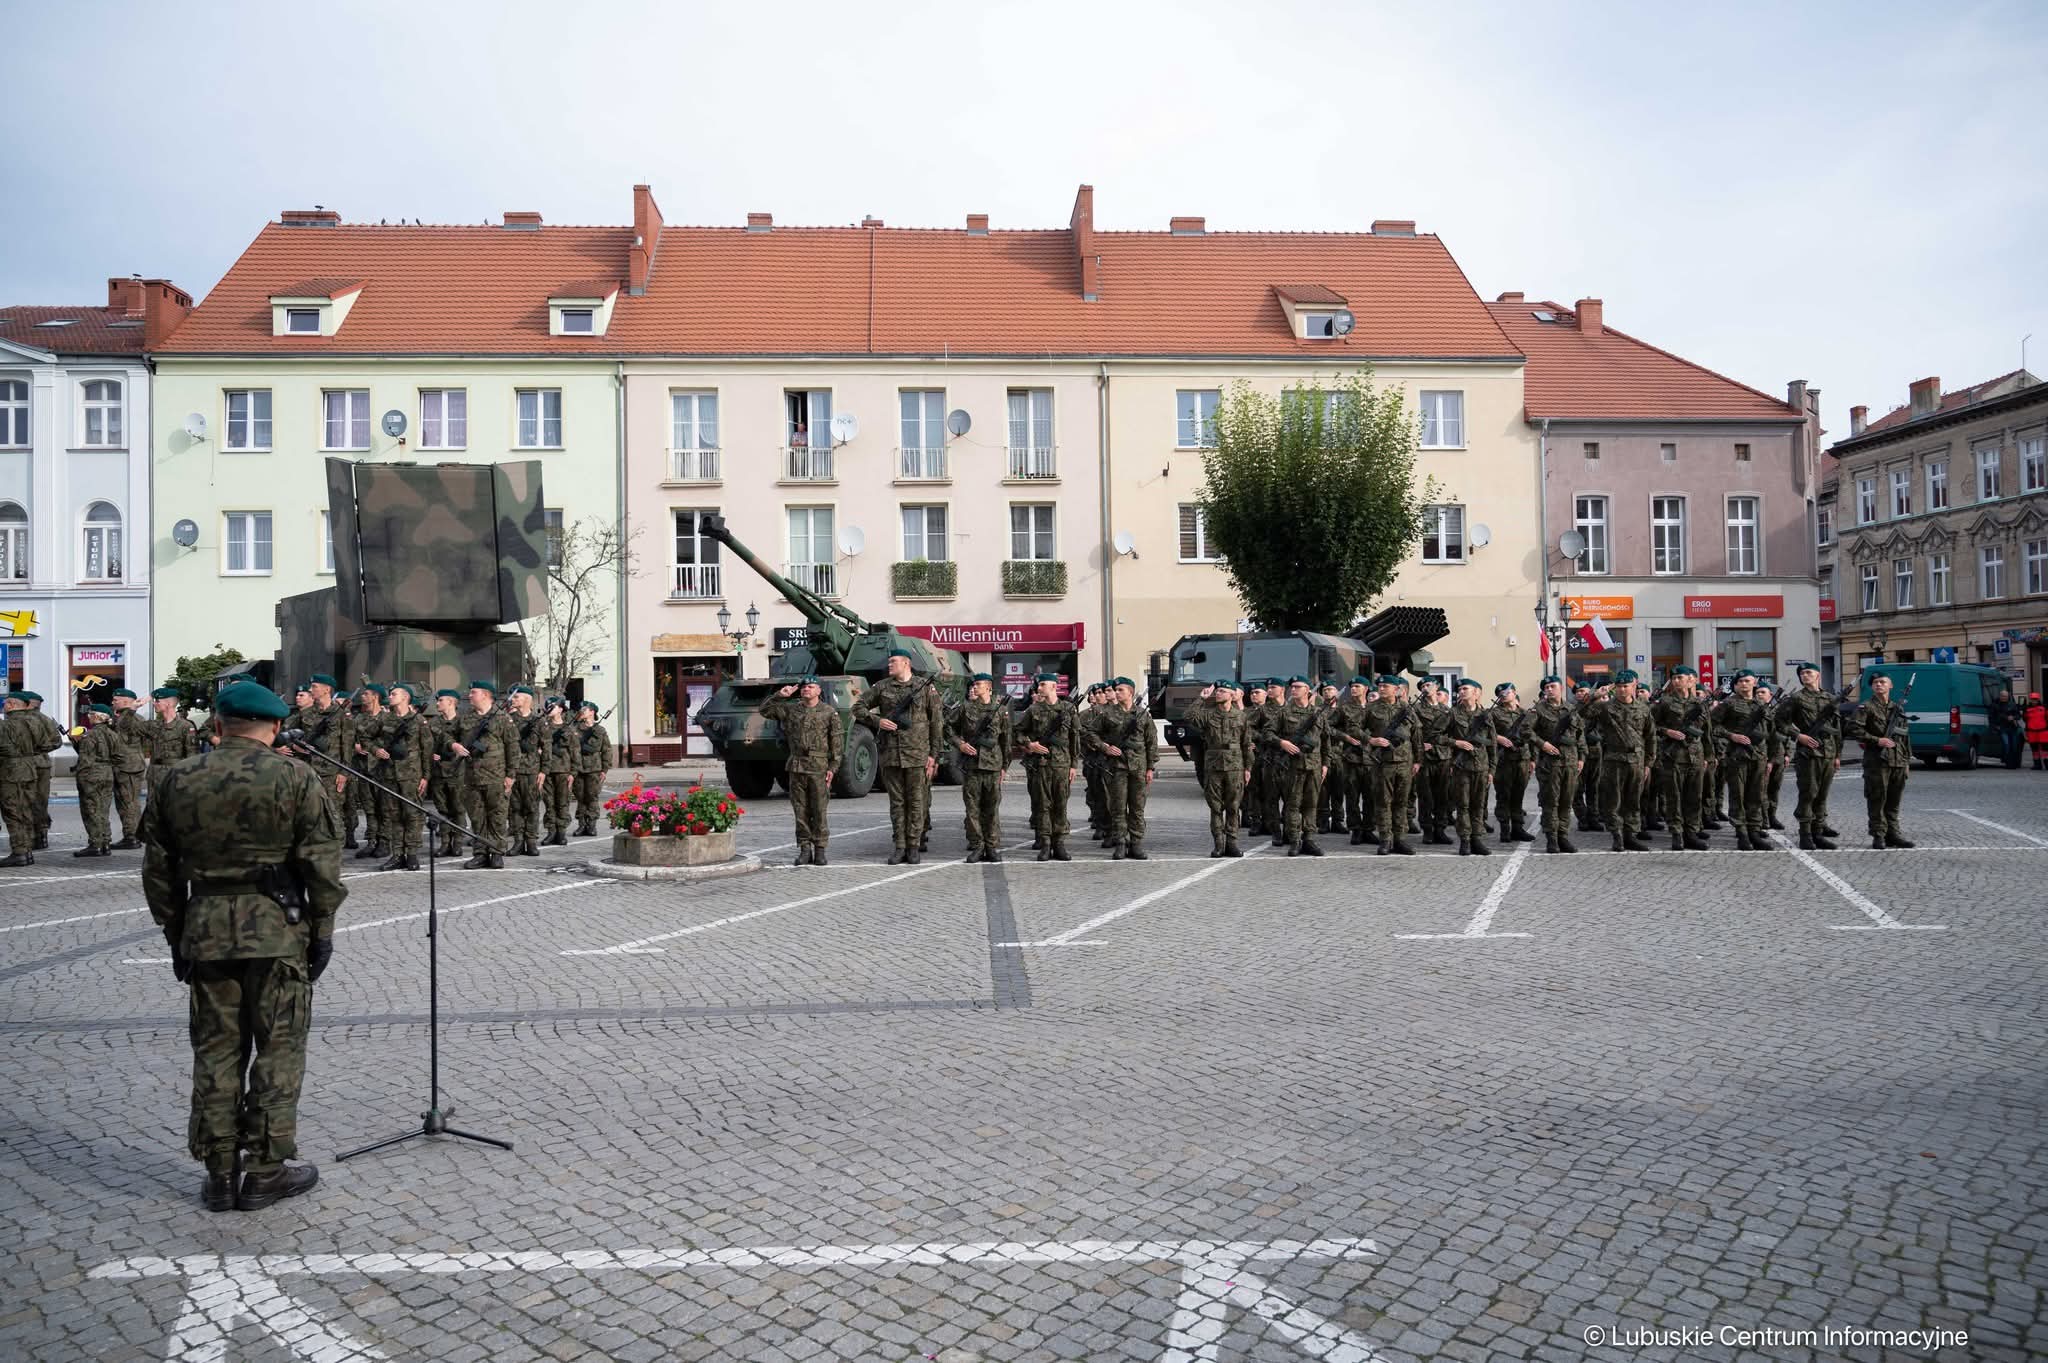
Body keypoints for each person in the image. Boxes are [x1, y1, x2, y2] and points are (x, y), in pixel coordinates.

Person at [141, 678, 346, 1212]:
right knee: (278, 1049)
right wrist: (322, 930)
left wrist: (174, 932)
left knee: (216, 1049)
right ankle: (265, 1171)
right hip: (278, 929)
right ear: (276, 728)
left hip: (206, 929)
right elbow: (322, 865)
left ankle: (218, 1173)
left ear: (216, 726)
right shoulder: (296, 776)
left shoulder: (175, 778)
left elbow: (158, 870)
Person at [854, 649, 943, 865]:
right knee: (897, 803)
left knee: (916, 802)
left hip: (917, 755)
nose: (889, 665)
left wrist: (934, 755)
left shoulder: (925, 688)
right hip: (891, 754)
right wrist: (878, 721)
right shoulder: (882, 687)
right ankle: (899, 846)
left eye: (893, 661)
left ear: (906, 663)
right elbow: (858, 707)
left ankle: (914, 846)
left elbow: (937, 723)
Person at [764, 676, 842, 866]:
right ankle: (805, 849)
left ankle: (820, 850)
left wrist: (833, 767)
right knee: (800, 811)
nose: (806, 689)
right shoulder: (792, 709)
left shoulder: (829, 712)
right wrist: (779, 696)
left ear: (818, 691)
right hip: (797, 765)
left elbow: (837, 744)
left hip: (819, 767)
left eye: (810, 686)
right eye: (804, 687)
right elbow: (765, 710)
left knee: (819, 810)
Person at [1088, 676, 1159, 859]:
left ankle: (1136, 843)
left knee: (1137, 807)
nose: (1117, 693)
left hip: (1138, 767)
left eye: (1120, 690)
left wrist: (1150, 768)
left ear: (1130, 692)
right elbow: (1091, 733)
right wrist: (1105, 747)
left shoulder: (1143, 715)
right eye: (1116, 690)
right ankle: (1120, 842)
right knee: (1118, 806)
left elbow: (1151, 742)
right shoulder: (1107, 713)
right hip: (1117, 766)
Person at [448, 680, 517, 869]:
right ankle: (480, 853)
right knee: (477, 818)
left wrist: (510, 775)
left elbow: (513, 748)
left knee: (497, 816)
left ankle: (496, 853)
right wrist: (454, 745)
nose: (469, 695)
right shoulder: (465, 718)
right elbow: (447, 735)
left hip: (496, 776)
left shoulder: (502, 718)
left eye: (473, 692)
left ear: (485, 695)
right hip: (472, 777)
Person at [947, 672, 1013, 863]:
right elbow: (947, 727)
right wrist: (960, 744)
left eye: (978, 684)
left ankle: (992, 847)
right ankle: (977, 846)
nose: (974, 688)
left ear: (989, 687)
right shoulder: (965, 708)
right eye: (973, 685)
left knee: (992, 808)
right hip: (972, 766)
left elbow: (1006, 739)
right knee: (972, 809)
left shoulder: (1000, 709)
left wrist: (1004, 766)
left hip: (993, 766)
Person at [1584, 671, 1653, 852]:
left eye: (1626, 686)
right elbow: (1582, 712)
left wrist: (1648, 763)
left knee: (1633, 800)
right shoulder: (1605, 708)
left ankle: (1630, 836)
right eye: (1619, 686)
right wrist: (1595, 695)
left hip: (1636, 761)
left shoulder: (1643, 708)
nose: (1622, 690)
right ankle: (1617, 836)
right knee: (1612, 800)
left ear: (1634, 686)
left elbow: (1650, 737)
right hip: (1613, 759)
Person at [1774, 662, 1840, 850]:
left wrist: (1837, 755)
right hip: (1808, 753)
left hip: (1828, 752)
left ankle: (1818, 832)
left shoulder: (1830, 698)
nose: (1805, 676)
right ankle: (1805, 834)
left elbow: (1837, 729)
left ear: (1818, 674)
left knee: (1822, 795)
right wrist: (1798, 735)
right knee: (1808, 793)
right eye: (1802, 673)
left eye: (1808, 672)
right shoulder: (1796, 698)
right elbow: (1779, 721)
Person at [1184, 678, 1252, 857]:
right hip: (1213, 766)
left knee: (1233, 806)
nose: (1218, 693)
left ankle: (1232, 843)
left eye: (1222, 691)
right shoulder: (1208, 714)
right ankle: (1219, 844)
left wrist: (1248, 768)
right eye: (1217, 691)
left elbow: (1246, 744)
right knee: (1215, 808)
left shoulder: (1241, 716)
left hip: (1235, 766)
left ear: (1231, 695)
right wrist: (1201, 698)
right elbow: (1189, 716)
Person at [1650, 666, 1711, 851]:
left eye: (1680, 677)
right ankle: (1677, 833)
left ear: (1692, 680)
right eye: (1674, 678)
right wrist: (1667, 731)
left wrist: (1709, 756)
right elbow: (1651, 726)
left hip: (1696, 756)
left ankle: (1691, 833)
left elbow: (1707, 732)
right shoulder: (1665, 703)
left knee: (1694, 797)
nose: (1676, 681)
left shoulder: (1700, 704)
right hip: (1673, 756)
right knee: (1674, 797)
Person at [1264, 677, 1326, 857]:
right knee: (1293, 805)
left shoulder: (1318, 713)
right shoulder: (1284, 712)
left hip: (1314, 765)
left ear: (1308, 690)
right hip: (1292, 766)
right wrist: (1281, 742)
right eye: (1292, 687)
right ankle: (1294, 840)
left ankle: (1309, 839)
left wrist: (1326, 764)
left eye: (1298, 687)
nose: (1294, 689)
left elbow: (1326, 739)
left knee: (1312, 804)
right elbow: (1268, 732)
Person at [372, 682, 428, 871]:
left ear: (405, 697)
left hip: (411, 775)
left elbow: (426, 750)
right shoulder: (384, 719)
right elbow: (364, 737)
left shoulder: (419, 721)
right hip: (389, 775)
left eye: (394, 693)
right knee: (393, 816)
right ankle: (397, 855)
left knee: (412, 815)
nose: (390, 696)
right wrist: (376, 749)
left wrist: (426, 777)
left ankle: (411, 854)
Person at [1716, 670, 1774, 851]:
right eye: (1740, 681)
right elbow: (1713, 725)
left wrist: (1771, 757)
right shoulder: (1729, 704)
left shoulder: (1761, 704)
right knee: (1738, 796)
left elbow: (1771, 732)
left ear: (1755, 682)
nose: (1744, 684)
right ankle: (1742, 833)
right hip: (1737, 757)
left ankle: (1754, 832)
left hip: (1758, 756)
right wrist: (1732, 735)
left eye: (1747, 681)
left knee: (1756, 795)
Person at [1858, 672, 1915, 849]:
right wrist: (1877, 740)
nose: (1879, 685)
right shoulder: (1865, 707)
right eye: (1875, 683)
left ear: (1890, 686)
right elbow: (1853, 729)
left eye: (1882, 682)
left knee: (1894, 800)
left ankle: (1893, 834)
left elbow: (1905, 737)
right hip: (1877, 761)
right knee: (1877, 799)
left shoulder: (1898, 708)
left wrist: (1906, 761)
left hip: (1898, 761)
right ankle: (1878, 835)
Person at [1364, 674, 1417, 855]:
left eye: (1386, 686)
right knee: (1383, 802)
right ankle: (1385, 839)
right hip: (1382, 763)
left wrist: (1418, 760)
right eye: (1379, 686)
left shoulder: (1407, 708)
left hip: (1404, 762)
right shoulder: (1371, 708)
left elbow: (1416, 734)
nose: (1381, 688)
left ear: (1397, 689)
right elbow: (1354, 729)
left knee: (1401, 802)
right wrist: (1372, 740)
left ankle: (1400, 839)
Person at [1529, 675, 1582, 854]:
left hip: (1571, 762)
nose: (1549, 690)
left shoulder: (1571, 709)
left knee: (1567, 801)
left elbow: (1579, 735)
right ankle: (1551, 838)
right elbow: (1525, 731)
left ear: (1561, 688)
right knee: (1551, 801)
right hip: (1550, 764)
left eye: (1553, 686)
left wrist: (1582, 758)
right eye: (1547, 687)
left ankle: (1563, 836)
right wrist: (1542, 744)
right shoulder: (1538, 710)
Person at [1442, 678, 1496, 856]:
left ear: (1476, 693)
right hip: (1461, 767)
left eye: (1466, 688)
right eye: (1460, 689)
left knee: (1479, 805)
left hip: (1481, 767)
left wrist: (1491, 770)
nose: (1461, 691)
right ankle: (1465, 840)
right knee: (1463, 805)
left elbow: (1492, 744)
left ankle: (1477, 839)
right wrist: (1456, 742)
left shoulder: (1486, 715)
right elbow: (1435, 736)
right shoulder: (1452, 714)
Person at [297, 675, 353, 840]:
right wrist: (295, 745)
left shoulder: (341, 715)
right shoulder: (306, 713)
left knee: (334, 813)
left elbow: (347, 745)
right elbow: (287, 734)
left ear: (327, 689)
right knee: (310, 812)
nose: (310, 690)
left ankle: (336, 852)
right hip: (309, 771)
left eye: (314, 686)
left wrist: (344, 772)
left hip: (332, 772)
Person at [1490, 683, 1537, 844]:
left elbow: (1531, 737)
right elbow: (1483, 731)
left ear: (1514, 693)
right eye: (1501, 693)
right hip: (1503, 760)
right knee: (1503, 795)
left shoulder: (1525, 714)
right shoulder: (1494, 713)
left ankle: (1517, 828)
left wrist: (1532, 759)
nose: (1504, 695)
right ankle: (1504, 829)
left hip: (1522, 759)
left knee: (1518, 795)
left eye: (1507, 692)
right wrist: (1498, 738)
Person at [69, 704, 119, 856]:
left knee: (91, 809)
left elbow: (85, 759)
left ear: (97, 717)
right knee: (103, 810)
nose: (88, 717)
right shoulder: (112, 734)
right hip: (107, 772)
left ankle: (95, 844)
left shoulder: (90, 735)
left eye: (91, 714)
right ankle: (105, 842)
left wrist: (80, 776)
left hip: (91, 774)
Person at [426, 689, 470, 856]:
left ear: (451, 702)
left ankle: (457, 843)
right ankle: (445, 843)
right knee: (443, 809)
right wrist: (432, 754)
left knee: (458, 809)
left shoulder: (463, 722)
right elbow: (427, 745)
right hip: (439, 772)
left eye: (441, 700)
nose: (437, 703)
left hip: (458, 772)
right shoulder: (433, 723)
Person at [348, 685, 388, 860]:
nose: (362, 696)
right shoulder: (359, 719)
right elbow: (349, 738)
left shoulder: (389, 718)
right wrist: (355, 745)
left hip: (383, 771)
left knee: (384, 809)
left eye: (366, 694)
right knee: (369, 809)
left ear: (375, 697)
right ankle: (372, 842)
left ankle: (385, 843)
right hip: (364, 770)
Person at [505, 685, 546, 857]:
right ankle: (518, 842)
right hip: (513, 772)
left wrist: (544, 771)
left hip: (531, 771)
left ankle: (531, 842)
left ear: (527, 699)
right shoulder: (508, 720)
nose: (513, 700)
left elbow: (547, 748)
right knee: (515, 808)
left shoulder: (539, 722)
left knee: (531, 808)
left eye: (516, 697)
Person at [144, 686, 201, 806]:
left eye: (157, 701)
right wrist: (134, 707)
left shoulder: (185, 726)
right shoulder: (154, 725)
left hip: (174, 776)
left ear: (169, 704)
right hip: (154, 776)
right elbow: (127, 727)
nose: (154, 703)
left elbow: (192, 756)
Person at [1413, 679, 1454, 845]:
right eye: (1422, 686)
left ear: (1436, 687)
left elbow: (1453, 734)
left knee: (1442, 796)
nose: (1425, 688)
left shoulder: (1447, 710)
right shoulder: (1416, 709)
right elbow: (1412, 731)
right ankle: (1427, 830)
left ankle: (1440, 829)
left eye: (1428, 685)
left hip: (1443, 757)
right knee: (1425, 797)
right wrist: (1420, 745)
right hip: (1425, 759)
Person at [108, 687, 148, 849]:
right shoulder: (123, 717)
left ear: (125, 701)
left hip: (128, 765)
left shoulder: (131, 718)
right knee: (124, 802)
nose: (112, 702)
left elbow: (124, 728)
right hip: (125, 764)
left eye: (116, 700)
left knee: (129, 802)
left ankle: (132, 836)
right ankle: (130, 834)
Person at [0, 692, 37, 865]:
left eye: (5, 703)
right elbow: (49, 743)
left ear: (12, 705)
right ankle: (27, 850)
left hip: (10, 771)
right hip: (30, 768)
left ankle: (19, 852)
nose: (3, 706)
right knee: (26, 810)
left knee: (12, 812)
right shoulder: (35, 722)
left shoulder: (6, 725)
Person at [21, 690, 61, 849]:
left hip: (26, 763)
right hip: (43, 763)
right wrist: (42, 750)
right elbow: (57, 742)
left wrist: (32, 750)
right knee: (41, 801)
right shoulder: (47, 720)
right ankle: (42, 835)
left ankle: (29, 836)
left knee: (25, 800)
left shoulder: (21, 719)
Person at [573, 701, 613, 837]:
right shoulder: (575, 729)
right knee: (580, 797)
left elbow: (607, 750)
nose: (582, 711)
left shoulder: (600, 730)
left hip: (594, 768)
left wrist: (605, 769)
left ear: (592, 712)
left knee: (592, 796)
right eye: (581, 709)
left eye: (585, 709)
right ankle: (581, 825)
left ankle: (591, 825)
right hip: (578, 767)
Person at [541, 696, 576, 847]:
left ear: (561, 709)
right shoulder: (543, 727)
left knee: (562, 803)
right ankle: (551, 832)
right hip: (547, 771)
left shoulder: (568, 729)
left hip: (563, 770)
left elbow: (575, 752)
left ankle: (561, 832)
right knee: (549, 803)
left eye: (553, 706)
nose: (549, 709)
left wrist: (573, 773)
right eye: (548, 706)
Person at [1989, 687, 2023, 768]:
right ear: (2000, 696)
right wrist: (1995, 726)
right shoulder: (1995, 705)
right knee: (2006, 744)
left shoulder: (2012, 704)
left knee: (2014, 746)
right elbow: (1992, 717)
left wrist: (2013, 717)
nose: (2004, 697)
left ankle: (2013, 763)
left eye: (2006, 696)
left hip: (2012, 728)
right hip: (2002, 728)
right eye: (2003, 696)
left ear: (2008, 697)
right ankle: (2007, 762)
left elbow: (2018, 715)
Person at [2026, 692, 2048, 770]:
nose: (2034, 701)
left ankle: (2047, 764)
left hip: (2043, 731)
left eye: (2035, 699)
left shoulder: (2044, 708)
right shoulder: (2027, 709)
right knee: (2034, 749)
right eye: (2032, 699)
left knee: (2045, 749)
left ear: (2038, 700)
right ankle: (2037, 764)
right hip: (2032, 732)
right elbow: (2025, 719)